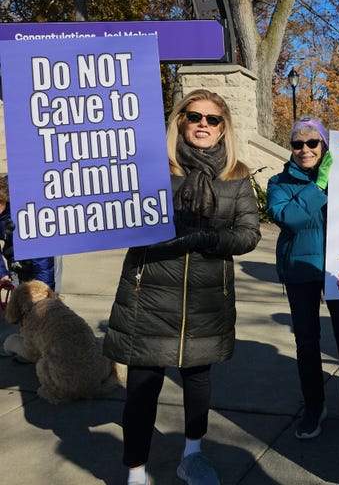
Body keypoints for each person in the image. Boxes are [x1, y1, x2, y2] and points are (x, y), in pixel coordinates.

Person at [103, 89, 261, 485]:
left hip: (207, 300)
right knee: (142, 388)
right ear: (180, 121)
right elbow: (121, 219)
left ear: (224, 127)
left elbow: (247, 235)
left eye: (213, 119)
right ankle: (136, 471)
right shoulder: (152, 168)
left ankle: (192, 455)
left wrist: (206, 239)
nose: (203, 125)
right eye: (194, 117)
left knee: (198, 384)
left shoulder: (237, 175)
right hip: (149, 294)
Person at [266, 116, 339, 441]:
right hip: (300, 270)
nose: (304, 149)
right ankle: (314, 406)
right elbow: (289, 218)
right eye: (297, 143)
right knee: (307, 342)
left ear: (324, 146)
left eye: (312, 142)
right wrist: (319, 186)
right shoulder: (278, 182)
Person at [0, 176, 56, 290]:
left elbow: (43, 259)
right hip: (15, 260)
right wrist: (2, 274)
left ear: (5, 198)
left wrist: (45, 290)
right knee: (17, 294)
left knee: (45, 298)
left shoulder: (25, 210)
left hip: (41, 250)